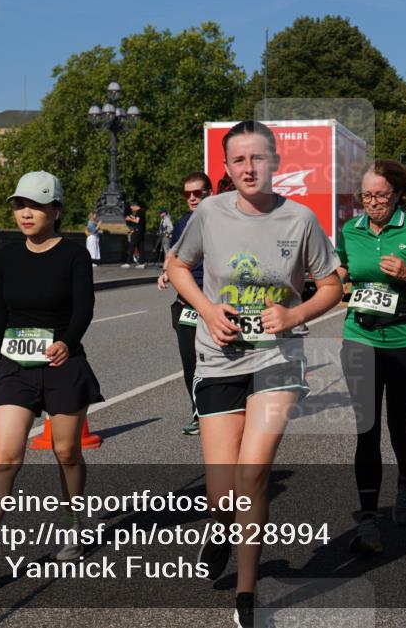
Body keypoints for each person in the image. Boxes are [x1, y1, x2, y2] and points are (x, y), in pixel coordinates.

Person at [167, 121, 343, 628]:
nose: (249, 168)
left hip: (277, 357)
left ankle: (247, 592)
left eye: (258, 158)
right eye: (239, 160)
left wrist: (294, 314)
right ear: (227, 168)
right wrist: (206, 310)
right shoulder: (208, 212)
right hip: (219, 358)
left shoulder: (300, 219)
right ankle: (221, 525)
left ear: (275, 163)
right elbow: (177, 266)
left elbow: (332, 285)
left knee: (253, 474)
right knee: (222, 494)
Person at [0, 171, 103, 588]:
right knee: (4, 457)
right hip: (14, 366)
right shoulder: (6, 257)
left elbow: (84, 308)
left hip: (61, 362)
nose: (26, 213)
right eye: (20, 205)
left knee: (67, 452)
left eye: (36, 205)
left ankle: (73, 528)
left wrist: (68, 342)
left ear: (56, 210)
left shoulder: (74, 255)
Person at [335, 159, 406, 555]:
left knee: (398, 423)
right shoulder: (350, 230)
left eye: (380, 196)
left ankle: (405, 479)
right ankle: (368, 519)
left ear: (397, 195)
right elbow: (341, 270)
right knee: (366, 427)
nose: (372, 203)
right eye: (366, 196)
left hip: (405, 338)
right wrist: (335, 280)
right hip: (360, 335)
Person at [157, 172, 213, 435]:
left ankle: (227, 410)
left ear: (209, 193)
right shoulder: (182, 223)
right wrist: (166, 272)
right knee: (191, 361)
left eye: (197, 193)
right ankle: (198, 413)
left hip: (215, 301)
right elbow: (175, 254)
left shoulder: (222, 220)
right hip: (187, 303)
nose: (192, 198)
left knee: (219, 360)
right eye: (187, 194)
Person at [123, 201, 146, 268]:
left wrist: (129, 219)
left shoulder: (139, 211)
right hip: (141, 231)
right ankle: (142, 263)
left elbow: (137, 221)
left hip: (137, 231)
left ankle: (128, 262)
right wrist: (132, 217)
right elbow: (139, 220)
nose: (132, 210)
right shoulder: (142, 211)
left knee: (132, 246)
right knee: (140, 247)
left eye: (132, 208)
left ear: (135, 206)